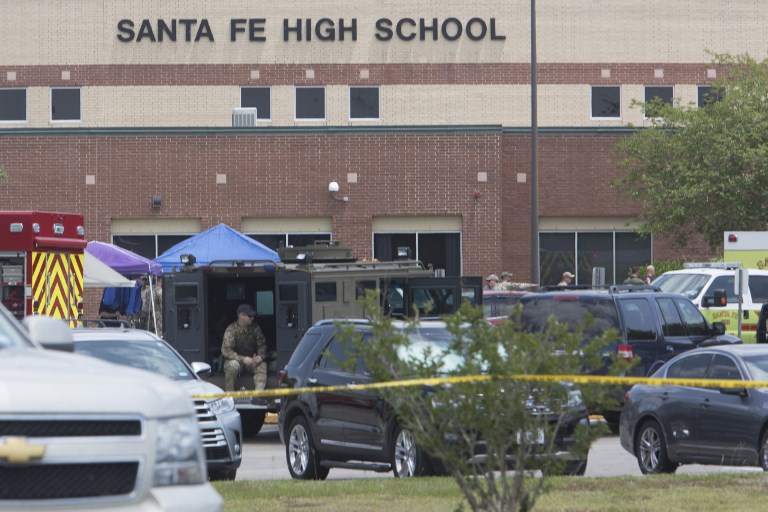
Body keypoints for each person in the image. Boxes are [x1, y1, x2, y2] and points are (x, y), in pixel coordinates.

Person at [221, 303, 268, 398]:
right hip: (236, 361)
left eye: (253, 316)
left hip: (251, 361)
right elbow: (226, 351)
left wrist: (260, 356)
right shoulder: (231, 330)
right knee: (232, 366)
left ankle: (258, 396)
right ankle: (230, 397)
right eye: (249, 316)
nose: (252, 318)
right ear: (241, 316)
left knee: (262, 366)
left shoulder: (255, 328)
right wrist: (243, 359)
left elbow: (262, 345)